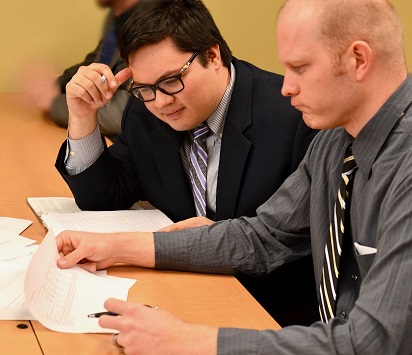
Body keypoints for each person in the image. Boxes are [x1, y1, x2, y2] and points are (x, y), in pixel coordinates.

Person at [55, 0, 412, 353]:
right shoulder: (337, 141)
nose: (287, 88)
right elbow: (262, 237)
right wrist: (115, 247)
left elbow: (374, 340)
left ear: (359, 60)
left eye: (300, 67)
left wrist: (188, 340)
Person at [55, 0, 319, 326]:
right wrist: (82, 116)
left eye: (172, 80)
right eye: (144, 89)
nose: (162, 101)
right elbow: (102, 198)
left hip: (267, 311)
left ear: (213, 54)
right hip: (181, 295)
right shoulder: (145, 110)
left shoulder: (294, 117)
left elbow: (301, 246)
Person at [22, 0, 140, 137]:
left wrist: (54, 104)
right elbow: (97, 61)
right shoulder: (122, 12)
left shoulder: (159, 19)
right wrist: (56, 84)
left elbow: (128, 113)